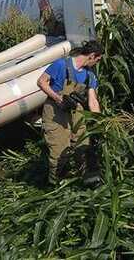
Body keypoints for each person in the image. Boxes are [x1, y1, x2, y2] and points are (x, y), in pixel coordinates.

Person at [37, 40, 103, 185]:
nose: (96, 64)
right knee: (59, 150)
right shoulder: (61, 64)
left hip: (76, 112)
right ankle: (55, 184)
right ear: (91, 56)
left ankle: (87, 180)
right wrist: (57, 97)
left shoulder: (89, 75)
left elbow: (93, 100)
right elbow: (41, 81)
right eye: (97, 60)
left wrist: (100, 122)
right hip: (55, 111)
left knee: (83, 145)